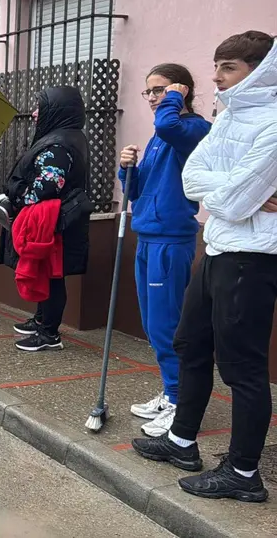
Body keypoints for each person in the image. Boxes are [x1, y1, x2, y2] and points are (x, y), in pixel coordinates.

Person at [133, 31, 277, 503]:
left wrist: (239, 195)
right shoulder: (229, 115)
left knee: (242, 368)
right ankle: (181, 442)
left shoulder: (273, 123)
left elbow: (234, 200)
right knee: (190, 344)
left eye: (229, 67)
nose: (215, 77)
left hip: (253, 259)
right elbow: (194, 180)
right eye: (216, 65)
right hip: (215, 248)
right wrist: (244, 194)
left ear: (262, 70)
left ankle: (242, 472)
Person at [118, 64, 211, 438]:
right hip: (147, 234)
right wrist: (128, 170)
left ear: (181, 91)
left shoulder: (192, 128)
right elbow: (139, 192)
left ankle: (179, 401)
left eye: (161, 90)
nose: (154, 98)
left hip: (172, 240)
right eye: (150, 92)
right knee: (153, 325)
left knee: (167, 325)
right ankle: (171, 390)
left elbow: (170, 126)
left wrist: (175, 98)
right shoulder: (160, 136)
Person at [0, 86, 90, 351]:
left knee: (52, 275)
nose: (35, 113)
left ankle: (49, 334)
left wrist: (15, 192)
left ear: (57, 111)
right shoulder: (64, 136)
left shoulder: (60, 144)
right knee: (46, 272)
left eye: (41, 107)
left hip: (51, 225)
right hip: (52, 222)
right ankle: (41, 320)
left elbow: (45, 188)